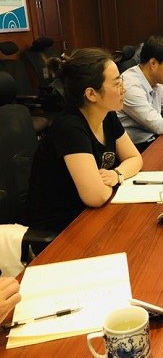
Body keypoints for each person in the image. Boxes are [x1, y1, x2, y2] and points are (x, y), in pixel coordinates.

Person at [23, 48, 143, 233]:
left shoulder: (107, 115)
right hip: (59, 230)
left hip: (90, 215)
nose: (123, 89)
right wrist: (110, 182)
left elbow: (135, 158)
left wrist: (116, 175)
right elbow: (96, 196)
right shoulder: (69, 127)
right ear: (91, 94)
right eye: (116, 83)